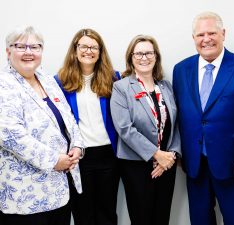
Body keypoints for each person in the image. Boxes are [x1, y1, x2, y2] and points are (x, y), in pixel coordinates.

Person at [172, 11, 234, 225]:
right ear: (193, 38)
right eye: (200, 35)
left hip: (233, 164)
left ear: (223, 33)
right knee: (200, 220)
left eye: (212, 33)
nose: (206, 39)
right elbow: (178, 115)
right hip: (195, 164)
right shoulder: (181, 69)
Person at [0, 26, 84, 225]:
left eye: (35, 47)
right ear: (8, 51)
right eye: (21, 46)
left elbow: (69, 118)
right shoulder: (4, 84)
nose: (29, 52)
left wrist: (77, 146)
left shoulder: (46, 78)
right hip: (26, 198)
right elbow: (10, 134)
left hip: (58, 190)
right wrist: (54, 160)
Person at [110, 34, 181, 225]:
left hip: (167, 165)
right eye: (138, 53)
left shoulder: (166, 86)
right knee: (142, 218)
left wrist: (171, 155)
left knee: (162, 216)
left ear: (156, 56)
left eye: (149, 53)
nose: (144, 57)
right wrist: (156, 154)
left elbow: (176, 125)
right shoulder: (121, 87)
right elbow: (125, 128)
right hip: (137, 165)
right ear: (131, 57)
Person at [54, 28, 120, 225]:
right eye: (83, 46)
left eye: (94, 47)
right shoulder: (60, 82)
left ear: (100, 52)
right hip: (78, 158)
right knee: (83, 213)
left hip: (109, 155)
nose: (88, 51)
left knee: (107, 212)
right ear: (75, 50)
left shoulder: (113, 78)